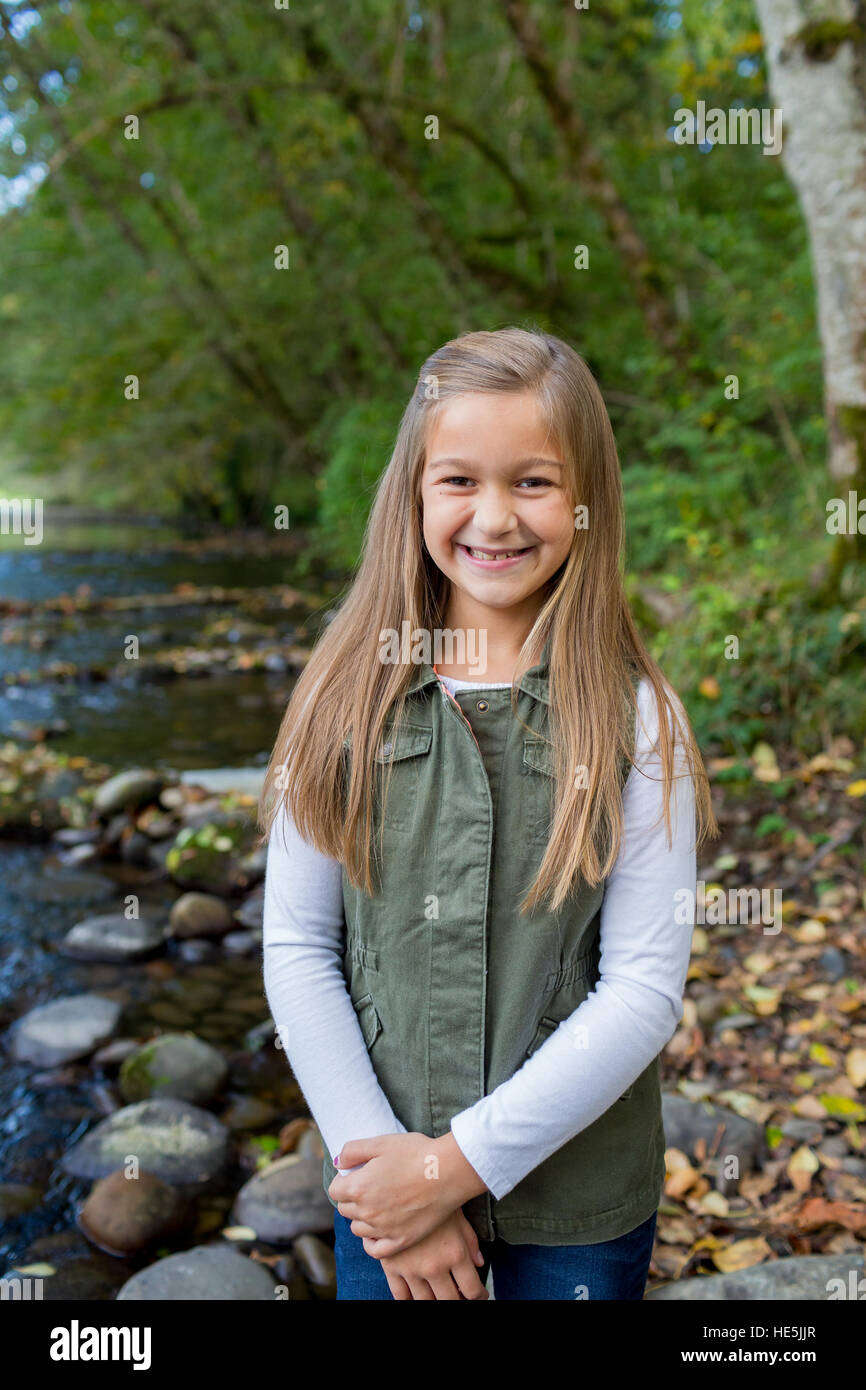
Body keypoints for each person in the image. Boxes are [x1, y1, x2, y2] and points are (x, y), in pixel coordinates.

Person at [259, 326, 717, 1300]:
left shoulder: (635, 716)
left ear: (586, 497)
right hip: (378, 1179)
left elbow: (640, 989)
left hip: (574, 1210)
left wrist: (453, 1169)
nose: (495, 516)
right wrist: (392, 1177)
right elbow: (298, 944)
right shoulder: (340, 697)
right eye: (459, 480)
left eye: (534, 482)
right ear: (413, 493)